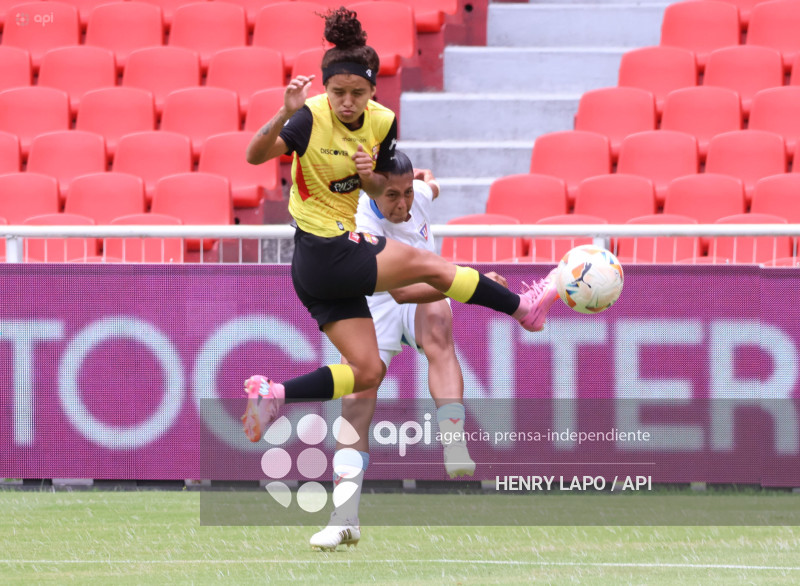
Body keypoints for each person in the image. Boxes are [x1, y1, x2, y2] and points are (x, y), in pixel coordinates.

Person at [242, 7, 558, 444]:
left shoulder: (383, 122)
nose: (347, 101)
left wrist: (368, 174)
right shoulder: (309, 117)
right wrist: (284, 112)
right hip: (323, 248)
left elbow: (377, 186)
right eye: (337, 92)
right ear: (325, 90)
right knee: (431, 265)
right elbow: (254, 156)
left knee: (367, 371)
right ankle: (524, 308)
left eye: (357, 92)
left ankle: (275, 394)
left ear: (373, 90)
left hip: (323, 267)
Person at [309, 153, 498, 550]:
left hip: (424, 297)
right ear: (371, 189)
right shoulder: (360, 220)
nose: (403, 204)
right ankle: (344, 520)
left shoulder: (418, 196)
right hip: (376, 301)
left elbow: (431, 185)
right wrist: (473, 285)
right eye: (392, 195)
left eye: (408, 192)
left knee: (438, 324)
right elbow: (401, 290)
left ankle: (453, 438)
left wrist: (426, 180)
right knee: (355, 405)